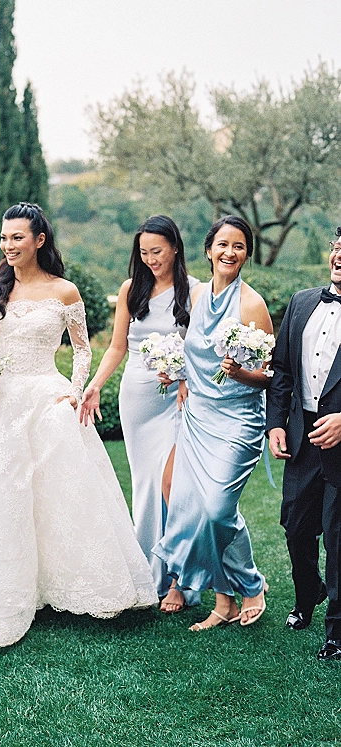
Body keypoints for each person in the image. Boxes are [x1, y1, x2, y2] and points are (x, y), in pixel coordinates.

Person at [0, 202, 158, 647]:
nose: (9, 246)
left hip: (44, 397)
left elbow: (84, 348)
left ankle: (59, 583)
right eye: (4, 238)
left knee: (56, 495)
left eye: (18, 238)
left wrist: (74, 389)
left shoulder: (65, 292)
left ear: (39, 241)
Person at [153, 215, 272, 630]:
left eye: (238, 246)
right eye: (222, 244)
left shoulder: (252, 304)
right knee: (193, 507)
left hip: (238, 420)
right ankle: (223, 601)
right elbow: (193, 352)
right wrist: (177, 374)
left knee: (218, 510)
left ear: (246, 255)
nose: (229, 252)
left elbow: (272, 376)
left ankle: (251, 583)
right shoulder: (198, 294)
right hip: (198, 417)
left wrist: (241, 374)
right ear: (208, 250)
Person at [80, 215, 199, 612]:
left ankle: (180, 579)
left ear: (176, 248)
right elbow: (117, 347)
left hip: (180, 400)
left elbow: (202, 350)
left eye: (158, 251)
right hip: (138, 399)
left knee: (175, 486)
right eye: (144, 252)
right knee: (146, 489)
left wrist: (185, 376)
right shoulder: (132, 289)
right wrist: (95, 384)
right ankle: (152, 574)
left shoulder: (196, 292)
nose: (150, 259)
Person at [266, 226, 341, 660]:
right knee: (296, 526)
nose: (339, 257)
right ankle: (307, 593)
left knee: (338, 535)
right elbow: (282, 372)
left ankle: (337, 627)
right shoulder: (301, 302)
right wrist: (276, 423)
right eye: (336, 249)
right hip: (302, 436)